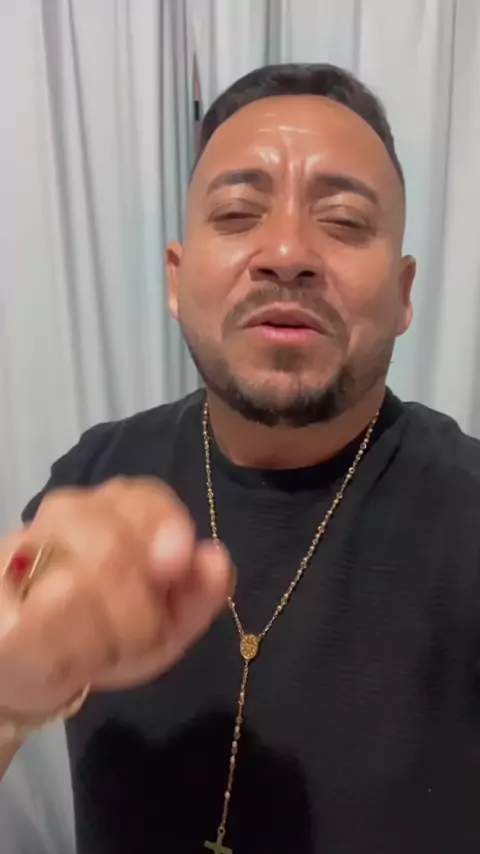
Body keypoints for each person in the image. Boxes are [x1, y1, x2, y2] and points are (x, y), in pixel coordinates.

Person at [0, 62, 479, 854]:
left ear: (403, 295)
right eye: (236, 213)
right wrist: (10, 703)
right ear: (176, 279)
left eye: (344, 221)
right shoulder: (93, 478)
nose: (286, 251)